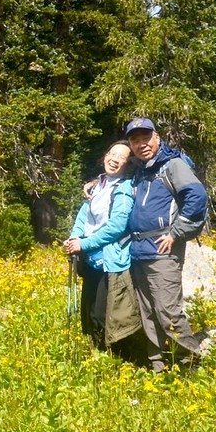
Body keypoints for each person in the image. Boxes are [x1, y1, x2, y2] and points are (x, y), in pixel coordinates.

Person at [124, 117, 208, 372]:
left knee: (168, 311)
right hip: (139, 251)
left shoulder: (171, 165)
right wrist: (95, 184)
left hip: (162, 250)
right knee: (148, 313)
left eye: (146, 138)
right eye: (135, 140)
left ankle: (190, 363)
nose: (141, 144)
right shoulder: (141, 170)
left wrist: (176, 232)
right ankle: (158, 365)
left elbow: (197, 197)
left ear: (157, 138)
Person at [64, 141, 140, 350]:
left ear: (128, 165)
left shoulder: (124, 189)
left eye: (121, 158)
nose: (114, 159)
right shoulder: (100, 184)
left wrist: (84, 244)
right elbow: (84, 214)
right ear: (105, 155)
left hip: (110, 261)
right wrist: (74, 238)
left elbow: (116, 227)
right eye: (111, 153)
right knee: (89, 312)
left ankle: (115, 359)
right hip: (92, 260)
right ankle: (98, 355)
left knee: (104, 314)